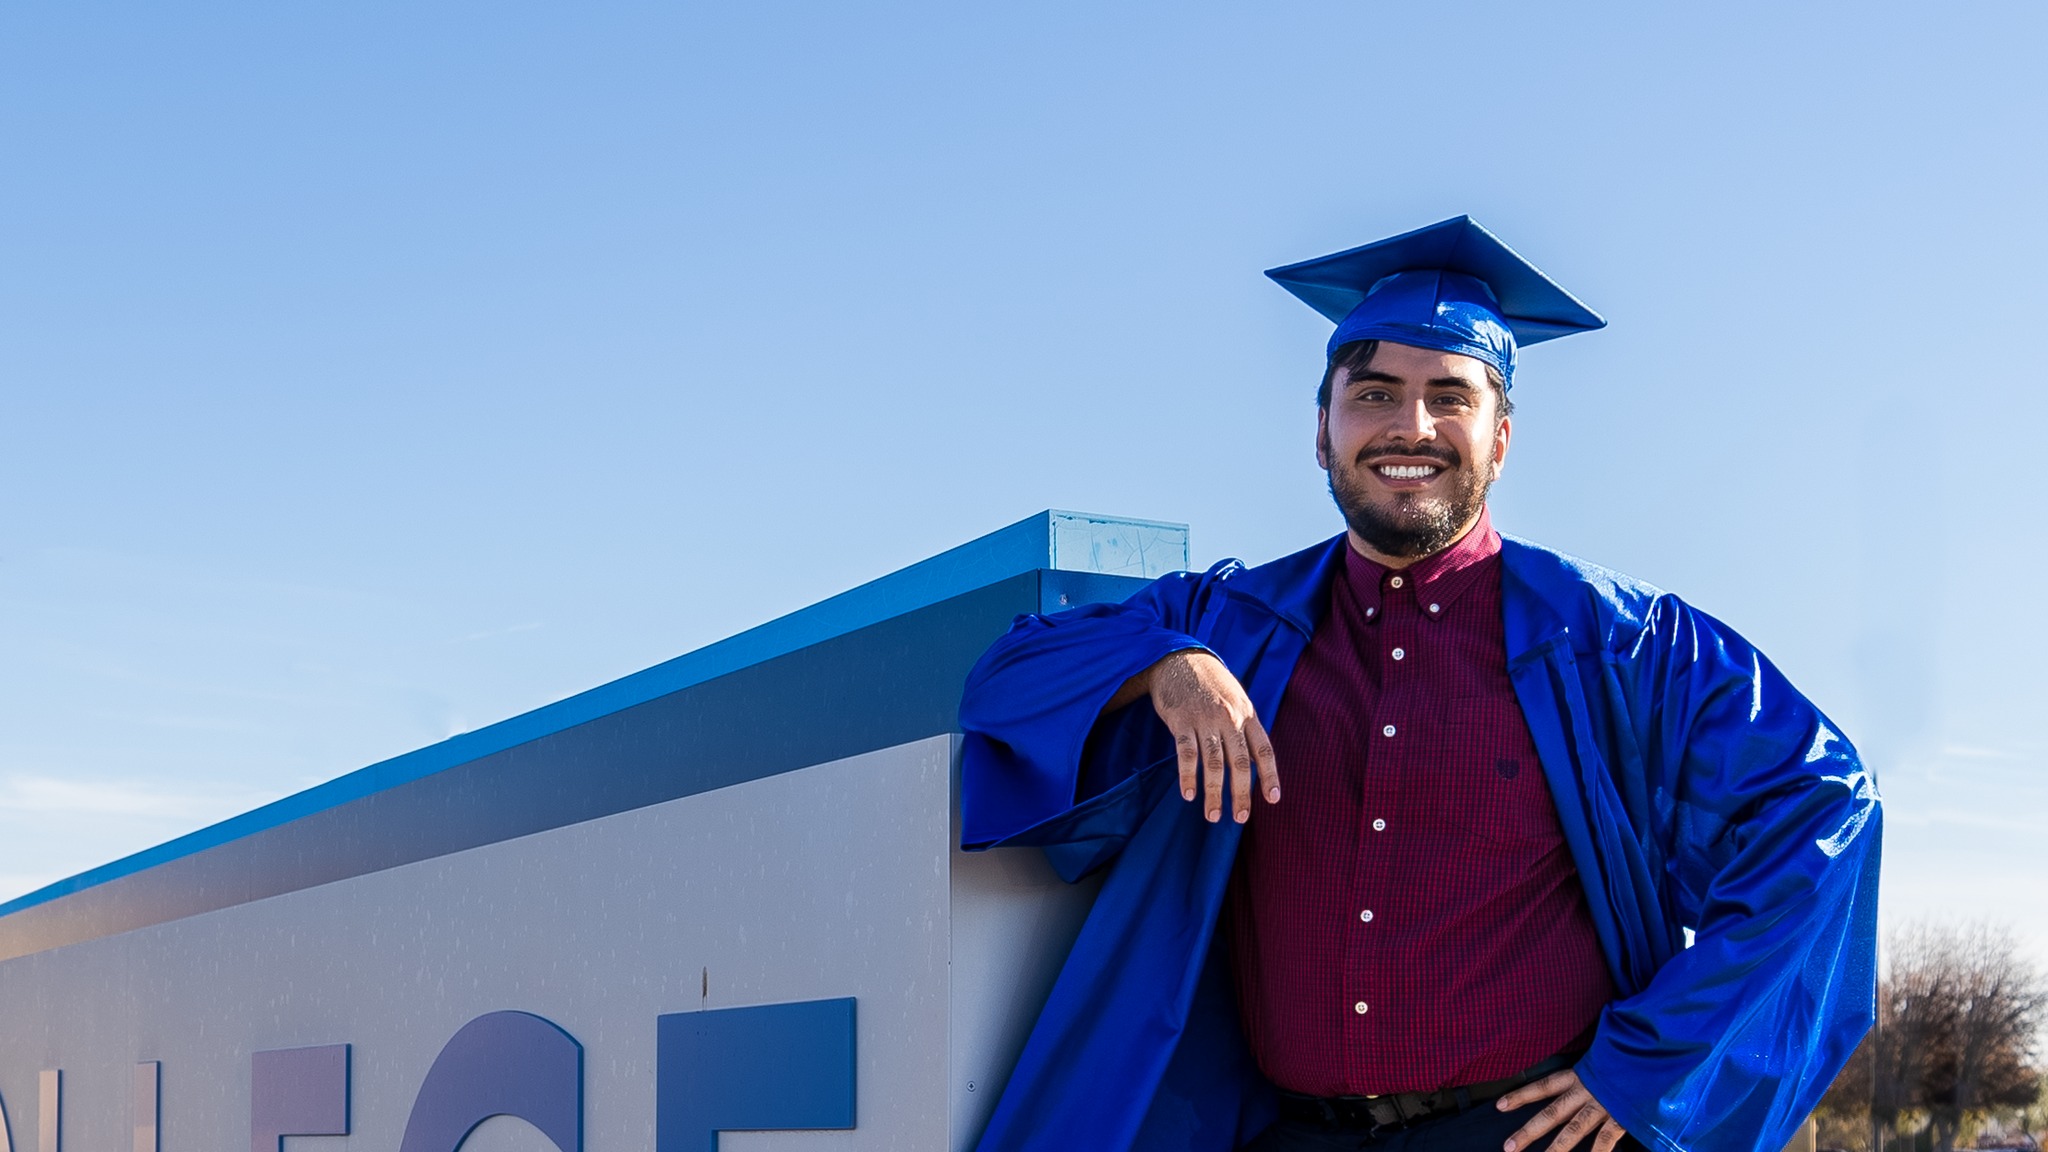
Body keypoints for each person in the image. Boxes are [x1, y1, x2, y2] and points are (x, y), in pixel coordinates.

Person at [956, 217, 1881, 1152]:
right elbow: (1008, 670)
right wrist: (1164, 665)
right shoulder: (1233, 627)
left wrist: (1647, 1069)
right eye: (1374, 394)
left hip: (1521, 1135)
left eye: (1452, 396)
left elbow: (1825, 809)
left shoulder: (1614, 644)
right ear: (1322, 431)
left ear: (1502, 436)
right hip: (1288, 1135)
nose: (1412, 427)